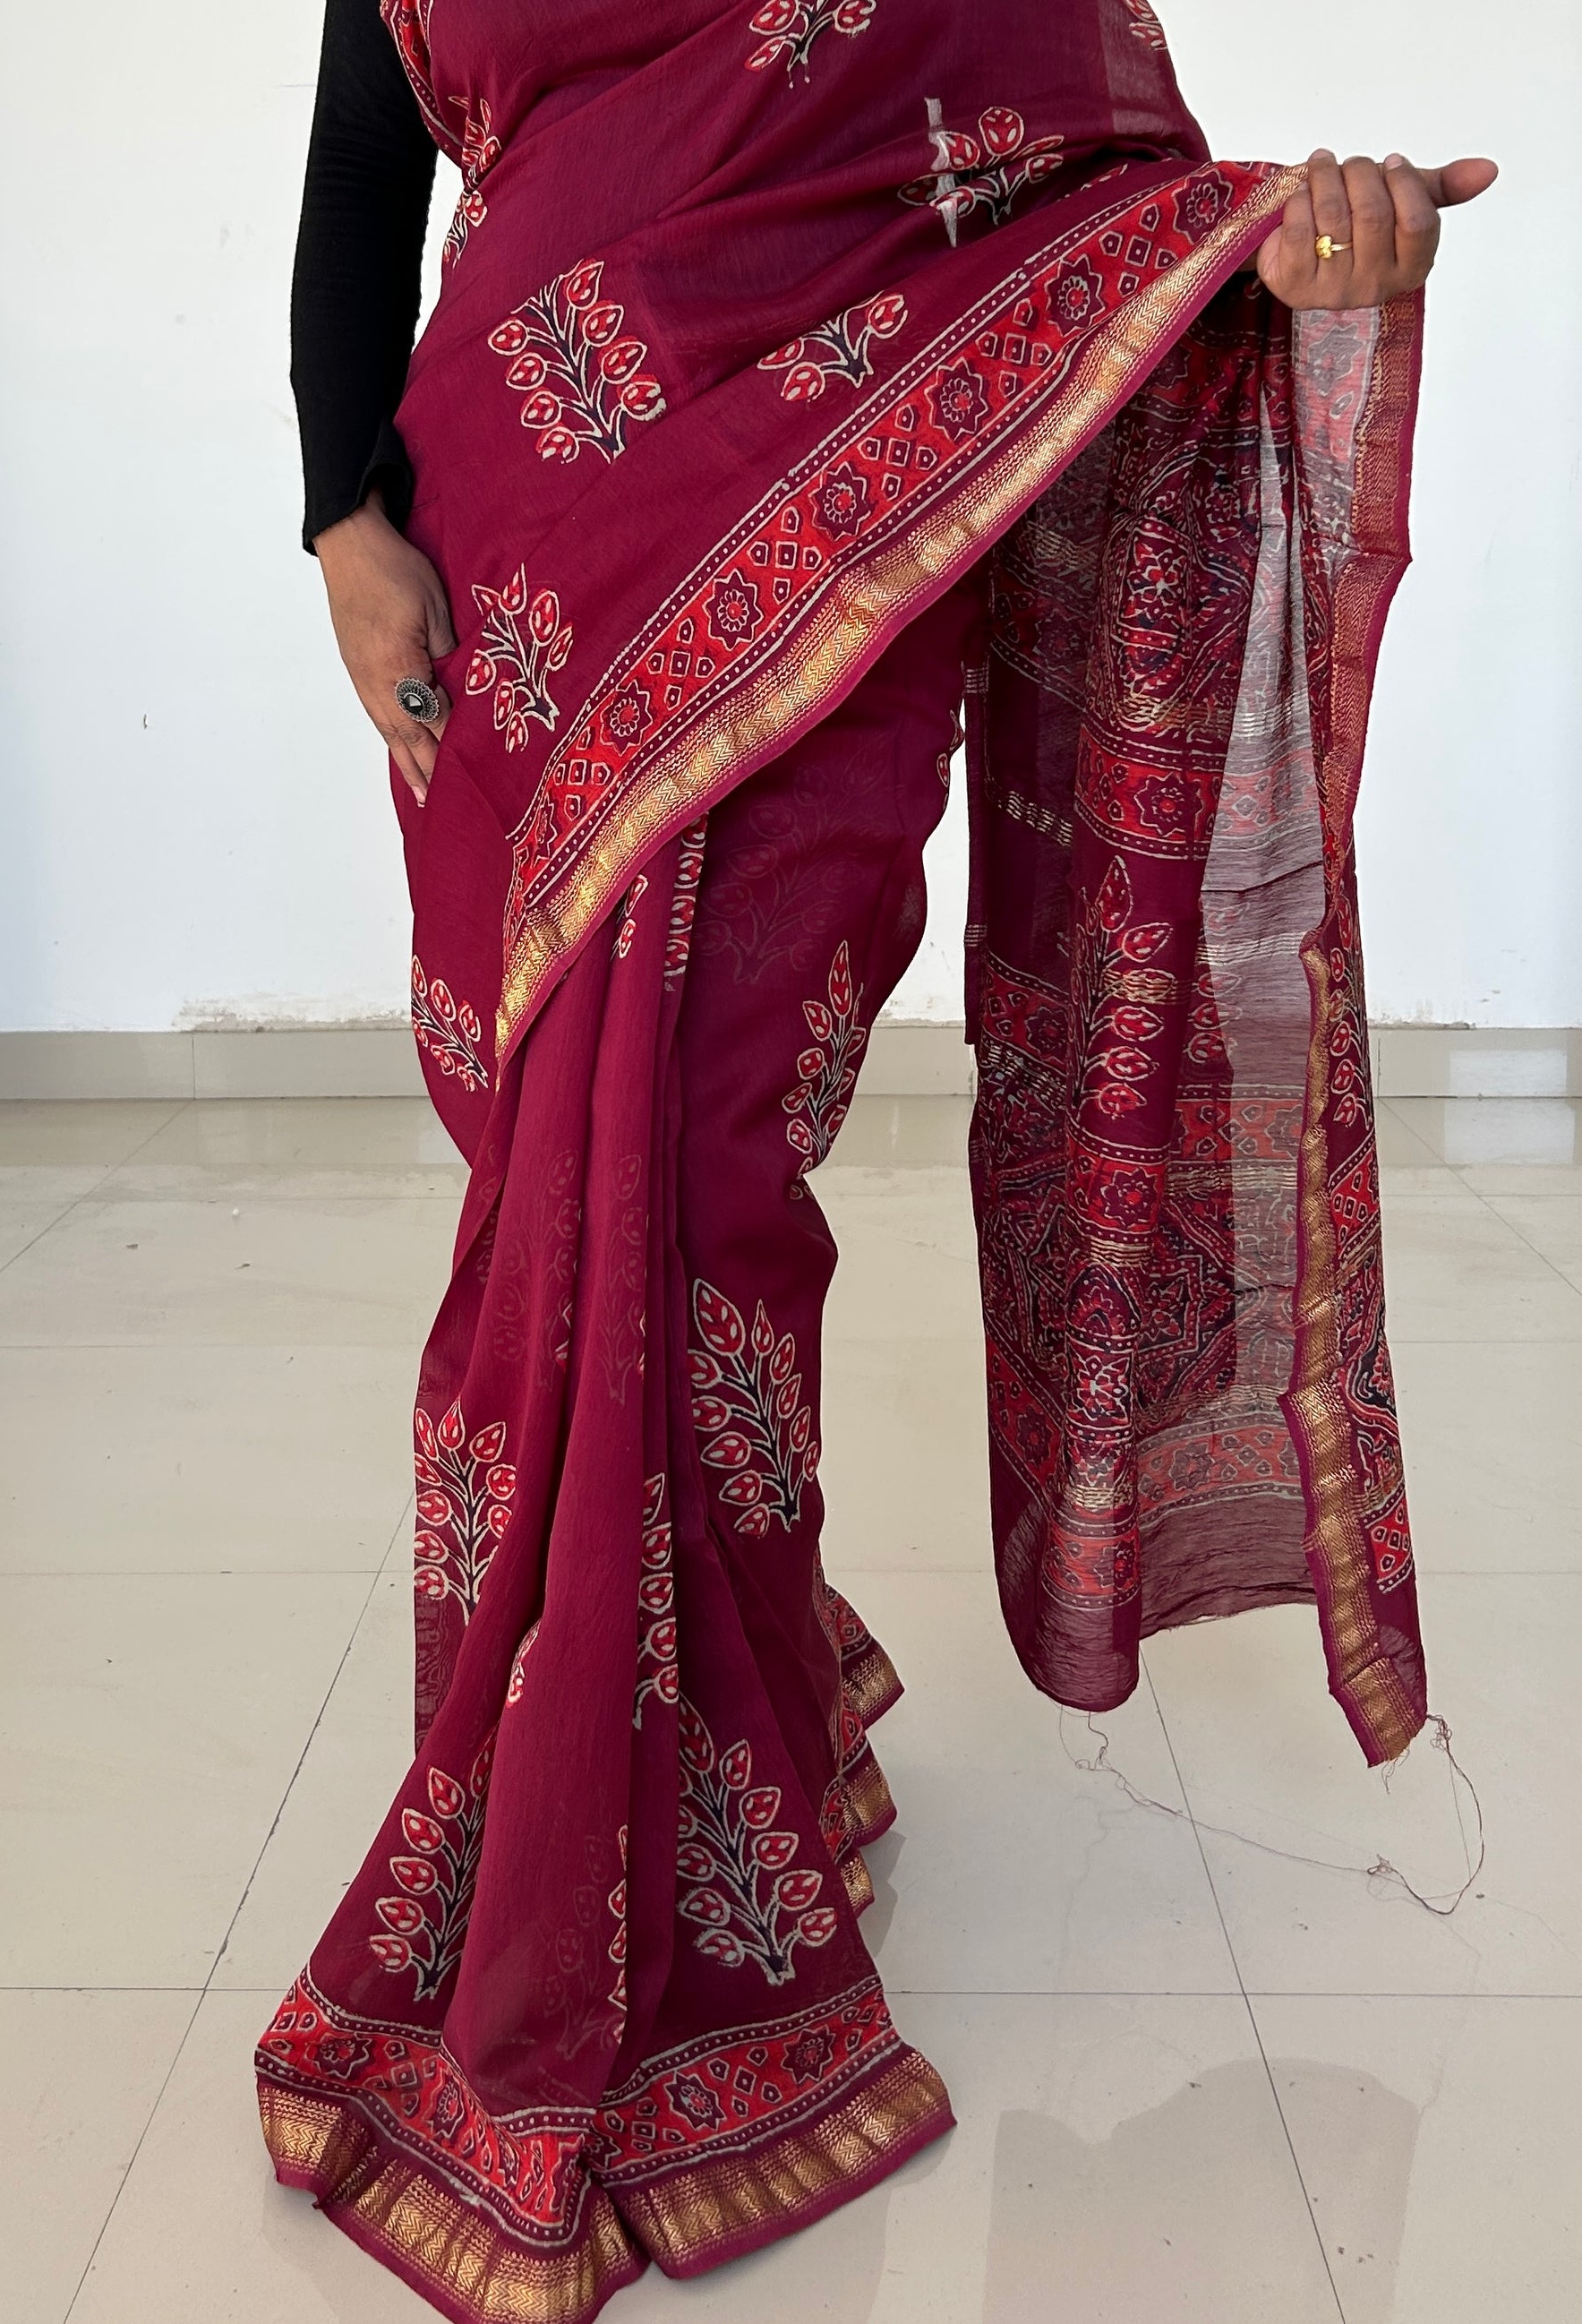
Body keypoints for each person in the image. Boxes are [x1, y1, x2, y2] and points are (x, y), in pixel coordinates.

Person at [256, 5, 1493, 2318]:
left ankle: (667, 1843)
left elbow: (1070, 172)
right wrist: (340, 515)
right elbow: (359, 173)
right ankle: (667, 1749)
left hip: (840, 515)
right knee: (557, 1189)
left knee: (698, 1174)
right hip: (513, 547)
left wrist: (1262, 255)